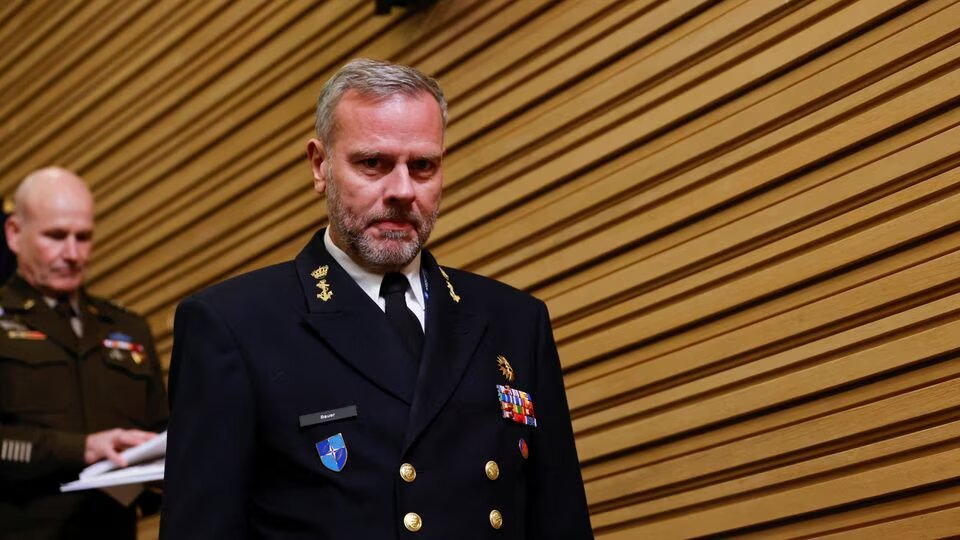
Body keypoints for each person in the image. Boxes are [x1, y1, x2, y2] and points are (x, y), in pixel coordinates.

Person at [160, 58, 593, 539]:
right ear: (320, 165)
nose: (403, 191)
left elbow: (561, 520)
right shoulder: (234, 325)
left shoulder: (514, 321)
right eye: (373, 163)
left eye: (423, 166)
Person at [0, 168, 168, 540]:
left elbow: (159, 433)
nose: (73, 253)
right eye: (56, 236)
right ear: (14, 234)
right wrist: (81, 449)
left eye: (84, 237)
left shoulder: (127, 328)